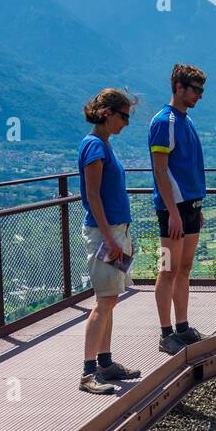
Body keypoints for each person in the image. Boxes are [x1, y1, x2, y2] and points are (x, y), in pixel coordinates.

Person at [78, 88, 142, 394]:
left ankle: (105, 362)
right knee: (103, 301)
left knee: (111, 299)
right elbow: (92, 196)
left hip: (116, 232)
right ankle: (88, 372)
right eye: (124, 116)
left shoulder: (103, 144)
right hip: (106, 234)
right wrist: (109, 237)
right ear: (108, 114)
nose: (127, 123)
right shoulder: (94, 147)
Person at [148, 63, 207, 355]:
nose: (199, 96)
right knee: (168, 268)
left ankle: (182, 327)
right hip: (173, 208)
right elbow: (160, 171)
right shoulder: (164, 122)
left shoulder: (187, 120)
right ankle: (165, 333)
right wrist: (172, 211)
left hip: (191, 206)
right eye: (195, 90)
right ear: (179, 88)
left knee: (184, 268)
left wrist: (197, 208)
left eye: (201, 90)